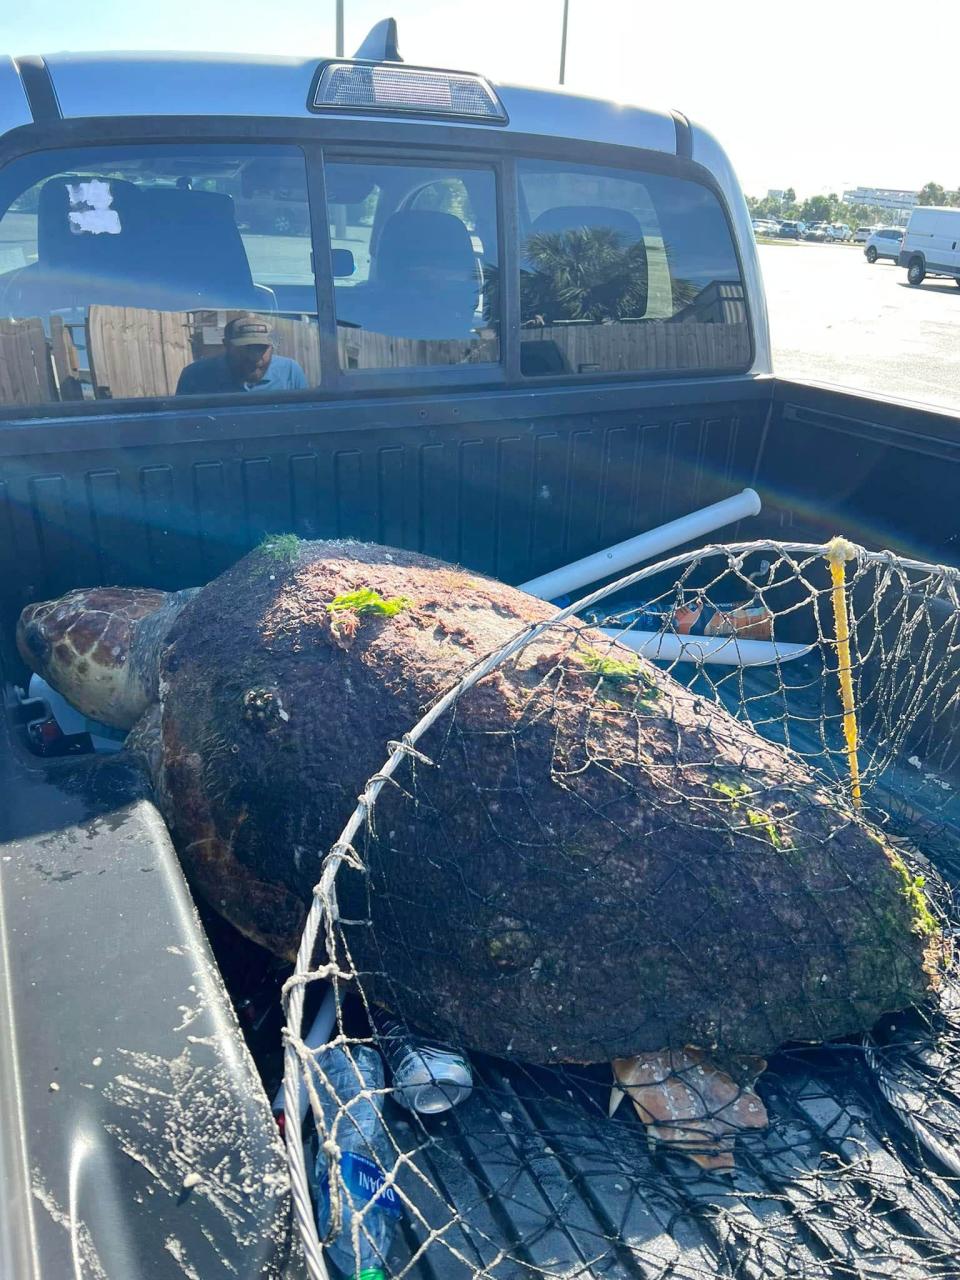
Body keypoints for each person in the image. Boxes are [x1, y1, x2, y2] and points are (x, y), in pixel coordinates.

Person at [176, 314, 307, 395]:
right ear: (226, 345)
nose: (255, 358)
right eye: (246, 348)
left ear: (272, 348)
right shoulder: (196, 376)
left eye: (261, 348)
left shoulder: (290, 372)